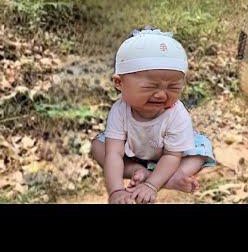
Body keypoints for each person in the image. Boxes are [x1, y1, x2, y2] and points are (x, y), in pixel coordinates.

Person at [90, 27, 216, 204]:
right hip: (134, 151)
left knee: (199, 154)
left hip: (172, 155)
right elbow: (114, 154)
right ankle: (140, 172)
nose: (161, 95)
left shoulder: (176, 114)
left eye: (173, 88)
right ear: (119, 83)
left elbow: (172, 156)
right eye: (150, 87)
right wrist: (116, 191)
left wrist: (151, 186)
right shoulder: (119, 110)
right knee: (98, 146)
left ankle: (173, 177)